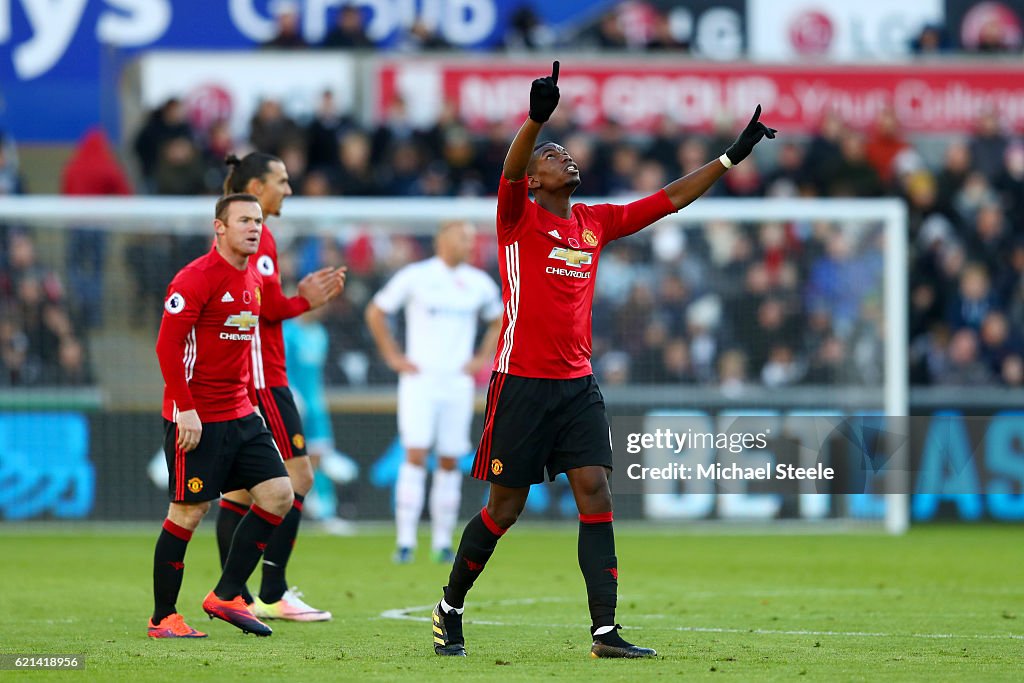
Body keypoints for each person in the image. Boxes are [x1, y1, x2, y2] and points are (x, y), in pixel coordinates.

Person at [430, 61, 775, 659]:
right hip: (520, 383)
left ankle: (604, 633)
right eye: (553, 154)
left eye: (566, 152)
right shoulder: (517, 218)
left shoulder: (595, 222)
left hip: (577, 385)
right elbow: (511, 167)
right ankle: (450, 607)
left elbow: (668, 201)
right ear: (536, 179)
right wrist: (536, 121)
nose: (567, 158)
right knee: (504, 509)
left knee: (596, 492)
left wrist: (728, 159)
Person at [148, 193, 294, 638]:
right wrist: (185, 409)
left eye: (258, 221)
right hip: (196, 417)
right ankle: (163, 618)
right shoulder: (195, 278)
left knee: (278, 495)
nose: (254, 227)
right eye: (244, 220)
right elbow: (167, 347)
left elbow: (243, 344)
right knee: (189, 512)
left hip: (240, 412)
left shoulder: (252, 277)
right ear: (220, 228)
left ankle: (227, 594)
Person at [217, 153, 346, 622]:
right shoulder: (260, 234)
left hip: (252, 374)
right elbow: (268, 308)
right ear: (256, 184)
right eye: (282, 181)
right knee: (300, 479)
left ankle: (240, 594)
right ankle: (270, 591)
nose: (288, 189)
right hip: (263, 377)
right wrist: (304, 300)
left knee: (238, 494)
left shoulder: (245, 231)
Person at [366, 221, 502, 564]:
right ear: (443, 239)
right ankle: (405, 540)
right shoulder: (416, 276)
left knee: (450, 459)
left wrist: (481, 358)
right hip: (420, 381)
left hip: (457, 383)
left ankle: (442, 541)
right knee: (414, 454)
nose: (469, 244)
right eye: (463, 237)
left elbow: (500, 319)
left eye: (472, 239)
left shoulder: (478, 283)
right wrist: (393, 356)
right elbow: (376, 312)